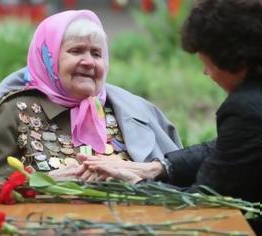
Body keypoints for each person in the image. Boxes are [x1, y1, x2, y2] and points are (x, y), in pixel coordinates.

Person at [80, 0, 262, 232]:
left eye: (207, 62)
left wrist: (138, 184)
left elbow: (204, 200)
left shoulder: (246, 109)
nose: (205, 72)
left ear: (235, 59)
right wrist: (158, 167)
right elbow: (225, 148)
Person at [0, 10, 182, 184]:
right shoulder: (14, 111)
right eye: (76, 51)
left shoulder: (131, 112)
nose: (89, 62)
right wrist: (47, 182)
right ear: (48, 59)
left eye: (97, 53)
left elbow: (170, 177)